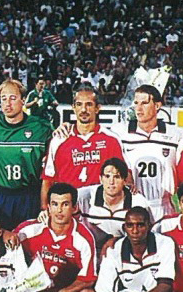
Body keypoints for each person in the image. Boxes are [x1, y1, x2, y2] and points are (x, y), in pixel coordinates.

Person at [0, 79, 52, 230]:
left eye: (13, 98)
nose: (7, 104)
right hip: (0, 196)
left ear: (23, 100)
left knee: (29, 245)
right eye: (3, 99)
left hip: (30, 196)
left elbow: (58, 152)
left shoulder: (40, 127)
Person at [42, 84, 124, 213]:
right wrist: (44, 210)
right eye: (79, 104)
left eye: (89, 105)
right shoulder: (59, 139)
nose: (83, 109)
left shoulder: (111, 139)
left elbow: (124, 176)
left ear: (97, 108)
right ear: (73, 108)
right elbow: (48, 180)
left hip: (100, 211)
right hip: (67, 211)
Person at [111, 84, 183, 221]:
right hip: (131, 207)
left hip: (164, 207)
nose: (138, 109)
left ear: (157, 106)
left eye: (144, 103)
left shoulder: (176, 135)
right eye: (136, 103)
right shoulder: (119, 132)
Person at [76, 157, 151, 243]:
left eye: (117, 177)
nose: (111, 182)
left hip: (124, 248)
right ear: (100, 179)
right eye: (107, 176)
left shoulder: (138, 202)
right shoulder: (84, 197)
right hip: (91, 248)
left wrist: (116, 242)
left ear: (125, 180)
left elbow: (145, 237)